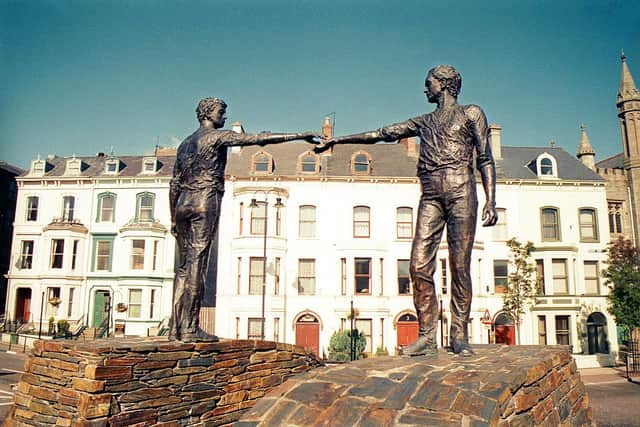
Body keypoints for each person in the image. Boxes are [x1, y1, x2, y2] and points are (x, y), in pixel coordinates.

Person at [316, 65, 497, 356]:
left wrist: (490, 199)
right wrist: (340, 139)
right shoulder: (423, 121)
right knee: (418, 264)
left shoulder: (471, 113)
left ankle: (459, 334)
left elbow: (485, 158)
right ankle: (427, 335)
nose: (425, 89)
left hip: (462, 189)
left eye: (429, 83)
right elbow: (383, 133)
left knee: (460, 265)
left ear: (445, 84)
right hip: (431, 195)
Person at [170, 97, 320, 342]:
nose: (225, 116)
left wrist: (173, 218)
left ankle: (174, 328)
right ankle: (189, 328)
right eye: (221, 111)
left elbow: (174, 182)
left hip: (182, 203)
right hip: (205, 198)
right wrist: (299, 135)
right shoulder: (217, 137)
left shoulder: (185, 144)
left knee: (183, 267)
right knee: (198, 262)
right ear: (208, 113)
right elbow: (258, 139)